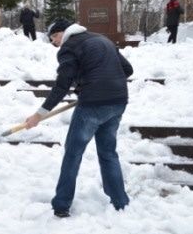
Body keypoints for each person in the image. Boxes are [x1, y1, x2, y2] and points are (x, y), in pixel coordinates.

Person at [25, 19, 133, 217]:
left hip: (92, 106)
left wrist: (38, 115)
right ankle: (120, 201)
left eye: (53, 38)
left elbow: (62, 85)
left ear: (61, 33)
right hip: (118, 101)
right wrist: (102, 84)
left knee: (73, 154)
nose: (54, 44)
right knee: (108, 153)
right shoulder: (102, 39)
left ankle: (61, 204)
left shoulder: (69, 48)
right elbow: (127, 70)